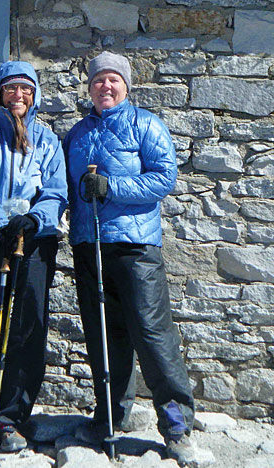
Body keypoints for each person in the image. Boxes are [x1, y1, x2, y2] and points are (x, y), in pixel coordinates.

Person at [62, 51, 196, 464]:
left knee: (152, 335)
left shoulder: (145, 124)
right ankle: (109, 417)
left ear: (125, 86)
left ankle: (176, 424)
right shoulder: (77, 133)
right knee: (104, 336)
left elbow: (163, 177)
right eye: (98, 80)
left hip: (136, 247)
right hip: (89, 245)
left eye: (112, 80)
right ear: (89, 88)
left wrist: (112, 187)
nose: (105, 86)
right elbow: (66, 185)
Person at [0, 61, 68, 454]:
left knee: (27, 325)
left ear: (34, 95)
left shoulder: (48, 140)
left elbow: (56, 191)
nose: (18, 96)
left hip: (33, 241)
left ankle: (10, 416)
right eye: (10, 89)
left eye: (25, 89)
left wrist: (33, 220)